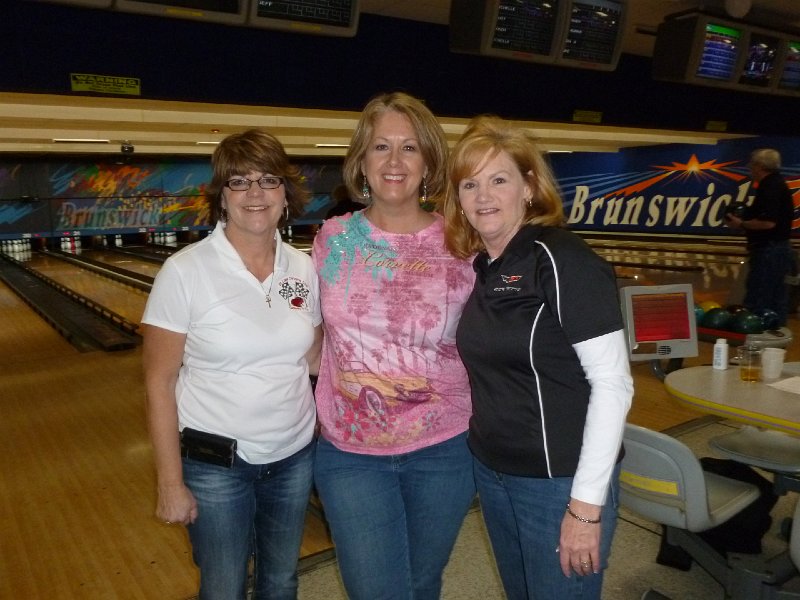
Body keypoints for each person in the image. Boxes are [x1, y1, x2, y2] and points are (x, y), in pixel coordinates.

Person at [441, 115, 633, 599]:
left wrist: (585, 507)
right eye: (470, 184)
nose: (484, 196)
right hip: (495, 472)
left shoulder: (560, 256)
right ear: (459, 200)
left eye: (499, 180)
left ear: (528, 187)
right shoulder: (484, 267)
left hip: (558, 486)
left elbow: (613, 383)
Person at [142, 128, 322, 600]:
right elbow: (158, 383)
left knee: (281, 580)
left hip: (293, 455)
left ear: (286, 193)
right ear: (222, 197)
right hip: (215, 463)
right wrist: (169, 482)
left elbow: (313, 353)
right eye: (239, 182)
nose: (256, 193)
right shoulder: (185, 272)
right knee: (223, 587)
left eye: (268, 179)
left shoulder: (302, 269)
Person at [311, 92, 476, 600]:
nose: (395, 161)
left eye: (409, 147)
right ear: (362, 160)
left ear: (429, 161)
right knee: (375, 590)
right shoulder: (332, 238)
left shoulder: (463, 242)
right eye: (381, 146)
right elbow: (302, 326)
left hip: (445, 447)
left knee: (422, 584)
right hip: (350, 452)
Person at [724, 148, 795, 326]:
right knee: (775, 298)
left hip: (769, 250)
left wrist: (740, 224)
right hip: (776, 248)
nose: (749, 168)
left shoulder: (770, 187)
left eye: (751, 164)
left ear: (759, 166)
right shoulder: (776, 183)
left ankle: (759, 340)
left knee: (759, 297)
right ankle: (776, 339)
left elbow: (768, 223)